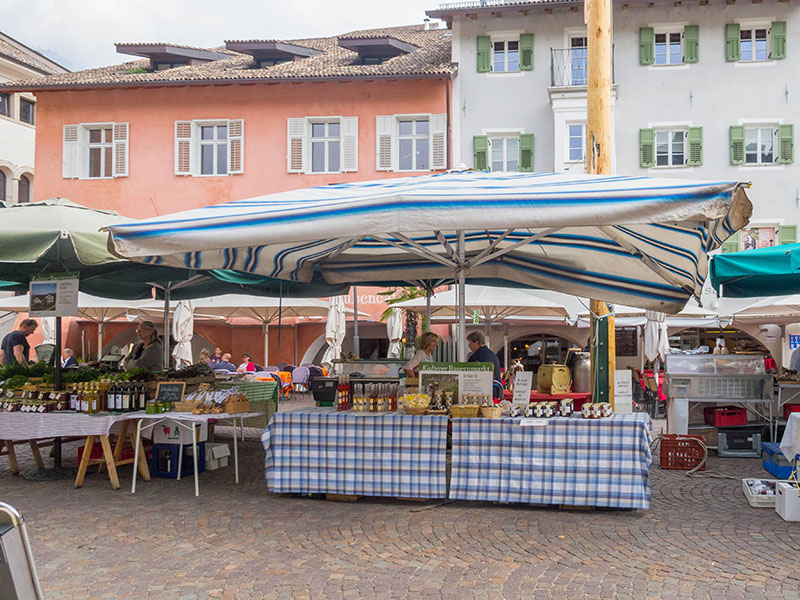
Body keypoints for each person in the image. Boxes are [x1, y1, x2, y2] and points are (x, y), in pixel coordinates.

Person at [466, 331, 502, 397]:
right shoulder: (492, 354)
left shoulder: (476, 356)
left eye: (469, 343)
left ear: (476, 342)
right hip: (496, 390)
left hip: (483, 392)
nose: (468, 345)